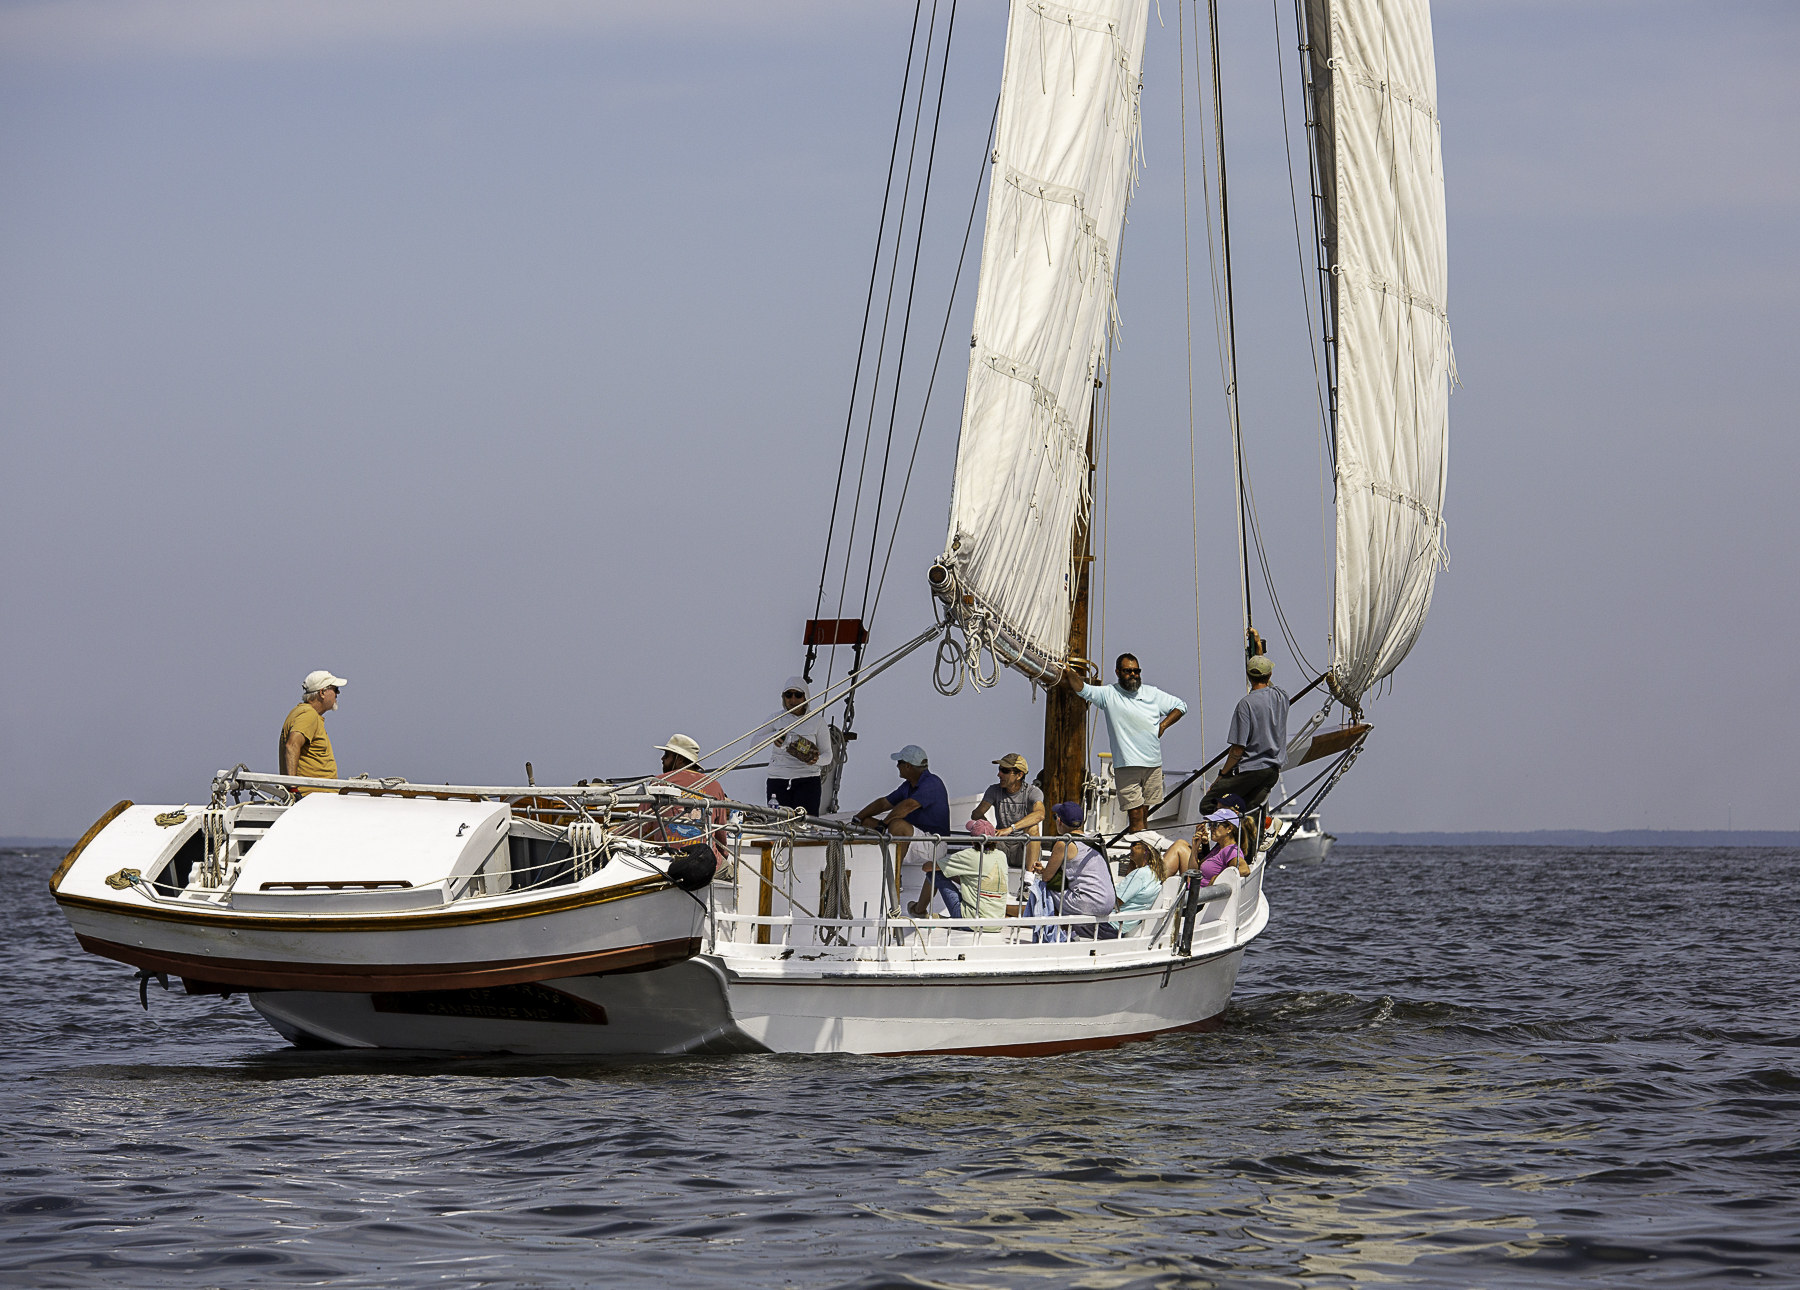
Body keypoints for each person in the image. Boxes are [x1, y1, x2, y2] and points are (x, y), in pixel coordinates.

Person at [1062, 653, 1187, 833]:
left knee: (1144, 814)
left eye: (1136, 671)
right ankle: (1138, 848)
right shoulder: (1109, 694)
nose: (1133, 674)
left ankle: (1142, 848)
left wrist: (1163, 725)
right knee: (1135, 816)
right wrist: (1069, 672)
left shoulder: (1152, 693)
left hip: (1153, 764)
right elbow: (1083, 689)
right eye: (1128, 671)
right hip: (1127, 766)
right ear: (1118, 672)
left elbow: (1181, 706)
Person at [1199, 654, 1289, 816]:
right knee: (1250, 813)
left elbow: (1237, 749)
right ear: (1270, 675)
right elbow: (1269, 685)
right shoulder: (1281, 696)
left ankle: (1227, 828)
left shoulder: (1246, 704)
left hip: (1251, 770)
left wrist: (1223, 775)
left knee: (1207, 805)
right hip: (1272, 771)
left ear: (1248, 676)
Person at [645, 733, 727, 887]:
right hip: (706, 864)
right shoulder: (715, 786)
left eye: (666, 755)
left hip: (668, 861)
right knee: (731, 872)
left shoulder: (658, 783)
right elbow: (721, 832)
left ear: (679, 759)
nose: (662, 759)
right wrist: (724, 855)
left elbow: (638, 826)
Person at [852, 744, 949, 868]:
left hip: (934, 844)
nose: (897, 766)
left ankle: (894, 876)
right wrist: (857, 819)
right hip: (914, 840)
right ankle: (872, 869)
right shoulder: (908, 785)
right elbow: (884, 803)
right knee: (867, 822)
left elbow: (908, 805)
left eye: (899, 762)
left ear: (908, 766)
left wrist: (884, 823)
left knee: (897, 825)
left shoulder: (932, 783)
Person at [1033, 801, 1117, 940]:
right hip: (1108, 904)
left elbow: (1047, 878)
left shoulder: (1064, 842)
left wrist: (1044, 873)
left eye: (1055, 818)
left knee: (1043, 888)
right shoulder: (1093, 841)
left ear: (1059, 821)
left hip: (1090, 903)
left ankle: (1056, 933)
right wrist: (1044, 870)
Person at [909, 819, 1008, 924]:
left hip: (970, 921)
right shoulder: (1001, 856)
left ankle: (918, 910)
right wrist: (949, 872)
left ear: (973, 840)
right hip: (996, 923)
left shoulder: (968, 855)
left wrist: (946, 869)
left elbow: (926, 867)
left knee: (934, 873)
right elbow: (977, 883)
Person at [759, 676, 833, 815]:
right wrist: (774, 736)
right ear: (783, 697)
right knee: (779, 824)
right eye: (788, 695)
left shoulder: (817, 721)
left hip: (807, 780)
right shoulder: (776, 719)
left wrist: (815, 760)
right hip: (778, 780)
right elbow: (754, 743)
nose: (793, 699)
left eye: (798, 695)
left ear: (805, 697)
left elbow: (828, 756)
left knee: (805, 825)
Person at [970, 752, 1045, 870]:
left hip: (1023, 849)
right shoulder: (994, 790)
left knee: (1033, 828)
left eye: (1004, 771)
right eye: (999, 769)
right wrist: (989, 828)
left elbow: (1040, 814)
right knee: (982, 830)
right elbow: (976, 814)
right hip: (1001, 846)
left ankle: (1029, 875)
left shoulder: (1033, 792)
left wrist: (1010, 829)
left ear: (1019, 775)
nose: (999, 774)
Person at [280, 671, 345, 793]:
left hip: (316, 798)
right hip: (312, 797)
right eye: (335, 689)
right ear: (322, 692)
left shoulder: (303, 713)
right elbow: (292, 745)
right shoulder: (308, 714)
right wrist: (293, 788)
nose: (338, 693)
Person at [1112, 836, 1167, 934]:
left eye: (1134, 844)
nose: (1130, 847)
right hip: (1122, 927)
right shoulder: (1154, 874)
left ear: (1145, 850)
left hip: (1110, 925)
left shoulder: (1140, 875)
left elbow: (1114, 903)